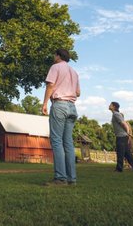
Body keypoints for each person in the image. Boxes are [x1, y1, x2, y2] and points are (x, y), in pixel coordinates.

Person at [42, 48, 80, 186]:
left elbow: (50, 85)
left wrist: (45, 103)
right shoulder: (74, 72)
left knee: (56, 141)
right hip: (72, 107)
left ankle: (60, 178)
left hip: (59, 105)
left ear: (58, 56)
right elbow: (78, 92)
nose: (53, 57)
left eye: (54, 54)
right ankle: (72, 179)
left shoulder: (55, 67)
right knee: (68, 143)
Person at [109, 102, 133, 173]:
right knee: (127, 154)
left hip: (121, 137)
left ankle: (119, 169)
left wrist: (128, 132)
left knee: (120, 153)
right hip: (122, 136)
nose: (109, 106)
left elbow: (124, 124)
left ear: (114, 107)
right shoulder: (115, 114)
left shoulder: (116, 114)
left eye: (110, 105)